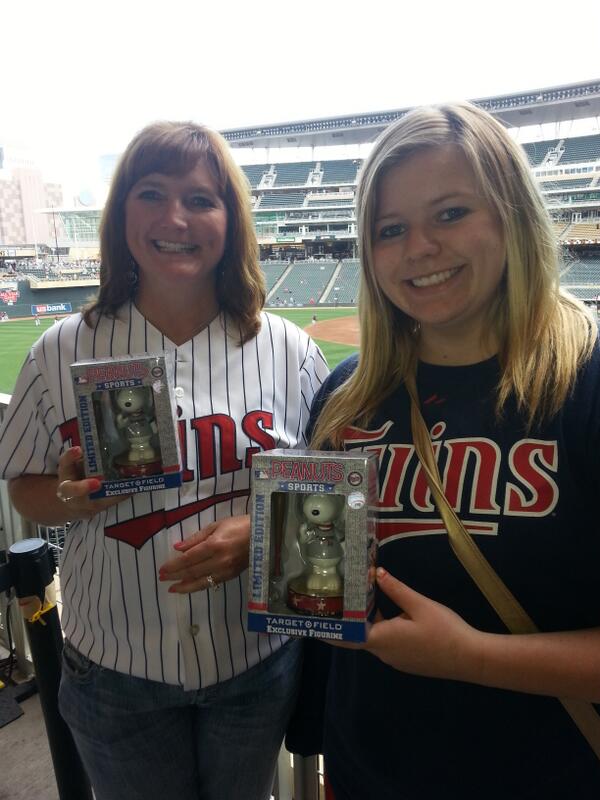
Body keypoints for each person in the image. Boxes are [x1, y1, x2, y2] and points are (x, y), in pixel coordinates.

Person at [0, 121, 328, 800]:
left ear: (231, 222)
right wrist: (70, 497)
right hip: (113, 667)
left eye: (201, 200)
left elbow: (329, 494)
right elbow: (24, 488)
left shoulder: (290, 349)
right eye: (151, 193)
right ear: (121, 213)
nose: (175, 218)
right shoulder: (57, 350)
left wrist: (262, 531)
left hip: (254, 660)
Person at [308, 102, 600, 799]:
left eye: (449, 214)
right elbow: (322, 587)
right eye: (390, 229)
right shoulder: (345, 398)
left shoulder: (585, 384)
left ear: (511, 217)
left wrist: (471, 657)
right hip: (367, 773)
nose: (419, 248)